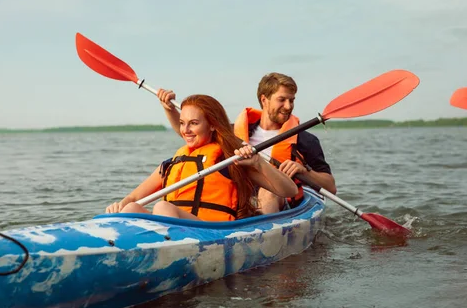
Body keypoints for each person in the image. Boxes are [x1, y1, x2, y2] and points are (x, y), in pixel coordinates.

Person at [157, 72, 336, 214]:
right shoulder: (235, 132)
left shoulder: (305, 139)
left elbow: (330, 187)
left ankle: (263, 238)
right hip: (239, 199)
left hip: (280, 200)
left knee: (268, 193)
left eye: (292, 100)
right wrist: (169, 109)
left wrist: (304, 171)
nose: (288, 106)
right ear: (264, 99)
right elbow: (193, 137)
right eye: (282, 100)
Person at [105, 94, 298, 221]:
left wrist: (258, 162)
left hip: (212, 232)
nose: (185, 130)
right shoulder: (173, 163)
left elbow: (289, 189)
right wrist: (118, 207)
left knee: (163, 208)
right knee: (130, 208)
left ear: (212, 125)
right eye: (182, 123)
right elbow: (134, 197)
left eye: (194, 123)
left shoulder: (228, 161)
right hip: (174, 230)